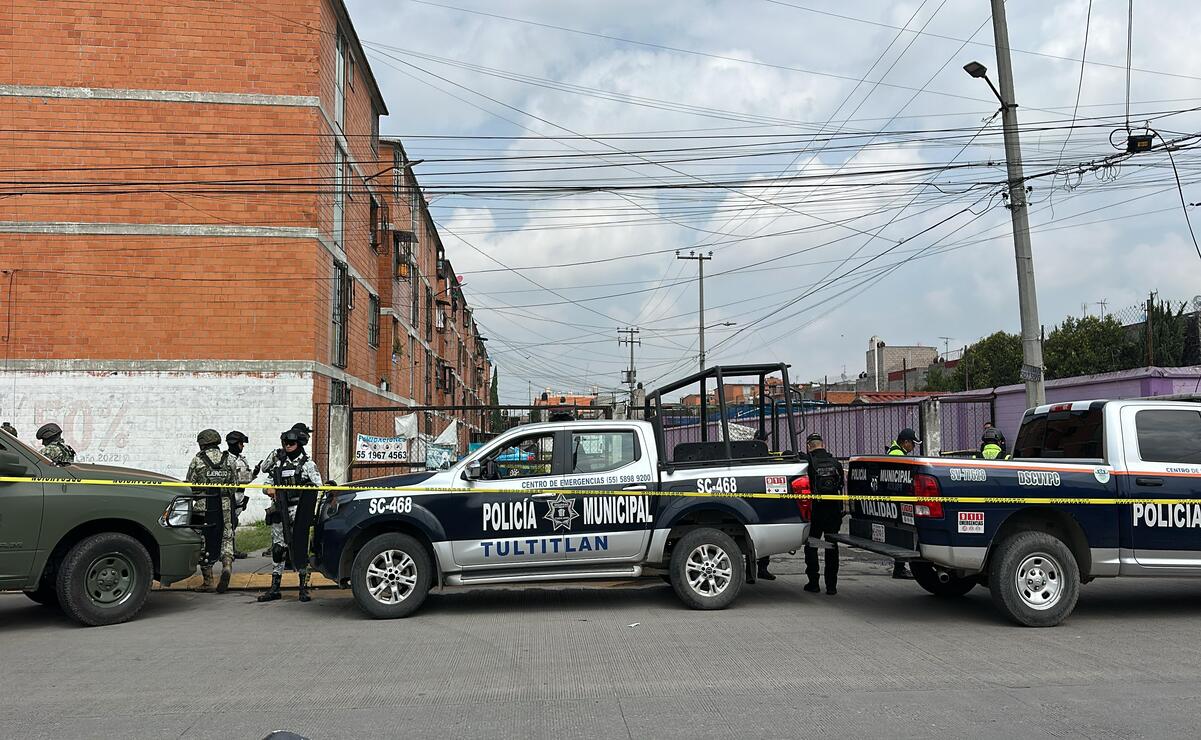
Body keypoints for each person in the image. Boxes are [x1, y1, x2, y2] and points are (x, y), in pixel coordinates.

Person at [257, 428, 323, 604]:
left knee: (300, 548)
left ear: (299, 444)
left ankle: (303, 588)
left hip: (299, 510)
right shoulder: (278, 464)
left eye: (291, 443)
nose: (288, 446)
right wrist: (268, 489)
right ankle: (275, 588)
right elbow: (266, 483)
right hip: (280, 510)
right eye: (285, 443)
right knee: (278, 550)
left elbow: (318, 486)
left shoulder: (308, 464)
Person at [186, 429, 237, 593]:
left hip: (203, 506)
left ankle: (208, 581)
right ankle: (227, 564)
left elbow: (190, 484)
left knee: (202, 539)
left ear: (202, 442)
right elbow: (234, 484)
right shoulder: (228, 459)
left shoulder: (197, 460)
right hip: (225, 505)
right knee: (226, 534)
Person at [802, 433, 844, 595]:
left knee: (812, 545)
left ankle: (813, 583)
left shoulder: (807, 462)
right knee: (831, 546)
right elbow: (841, 484)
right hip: (833, 510)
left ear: (809, 445)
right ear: (823, 444)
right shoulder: (835, 463)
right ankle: (831, 586)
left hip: (816, 510)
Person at [885, 428, 920, 579]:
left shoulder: (895, 452)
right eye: (913, 443)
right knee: (902, 535)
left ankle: (899, 567)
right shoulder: (898, 455)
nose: (914, 447)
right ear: (905, 442)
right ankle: (899, 569)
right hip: (898, 500)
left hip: (895, 499)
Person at [225, 431, 254, 560]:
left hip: (240, 496)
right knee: (229, 524)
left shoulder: (242, 459)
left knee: (234, 523)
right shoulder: (225, 459)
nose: (243, 446)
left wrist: (255, 473)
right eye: (241, 443)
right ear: (235, 444)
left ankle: (231, 549)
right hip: (230, 496)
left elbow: (246, 478)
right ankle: (229, 551)